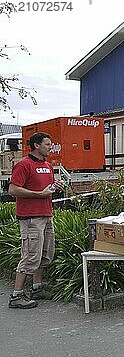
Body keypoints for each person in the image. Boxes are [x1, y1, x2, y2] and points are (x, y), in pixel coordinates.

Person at [8, 132, 65, 309]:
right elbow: (13, 190)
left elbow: (46, 188)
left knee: (45, 253)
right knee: (30, 255)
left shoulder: (47, 165)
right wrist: (38, 195)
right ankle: (16, 296)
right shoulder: (24, 164)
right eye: (47, 144)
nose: (51, 147)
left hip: (46, 214)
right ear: (36, 145)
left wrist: (56, 187)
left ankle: (37, 288)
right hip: (30, 218)